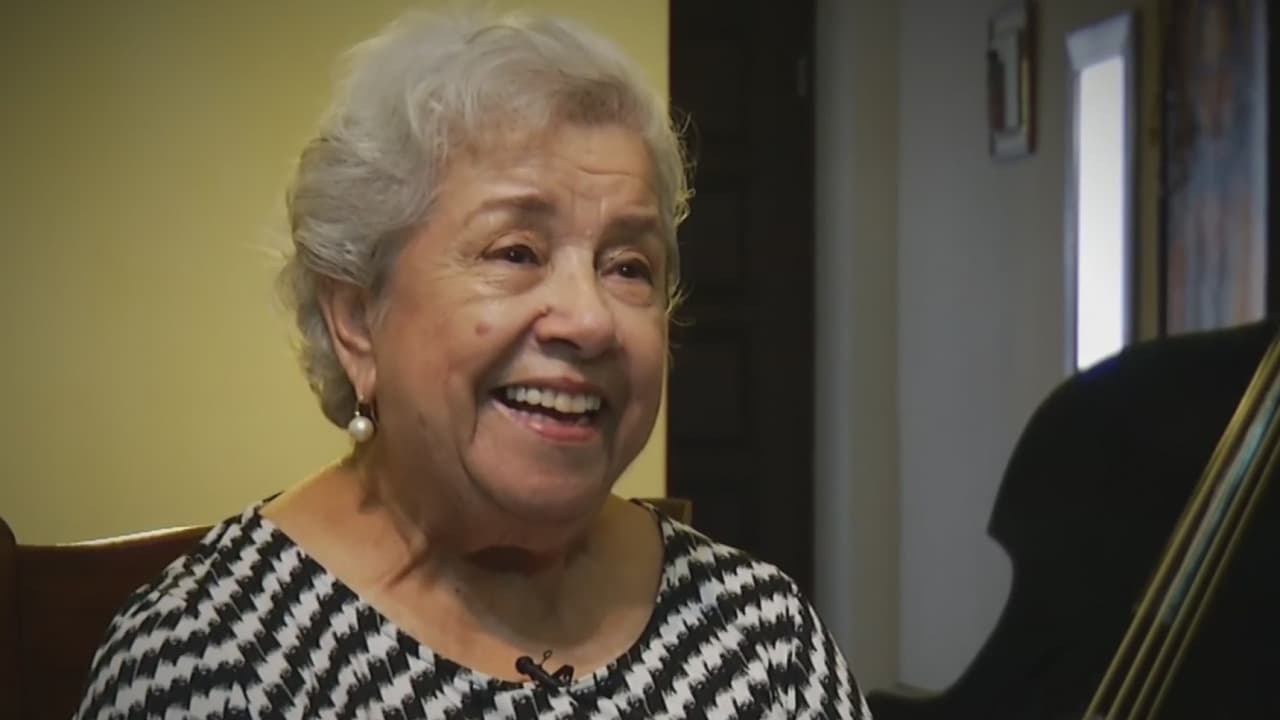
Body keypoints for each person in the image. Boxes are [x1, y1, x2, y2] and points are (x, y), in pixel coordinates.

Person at [75, 9, 871, 718]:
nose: (590, 319)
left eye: (629, 266)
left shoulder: (765, 637)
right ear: (357, 318)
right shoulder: (211, 659)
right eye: (515, 251)